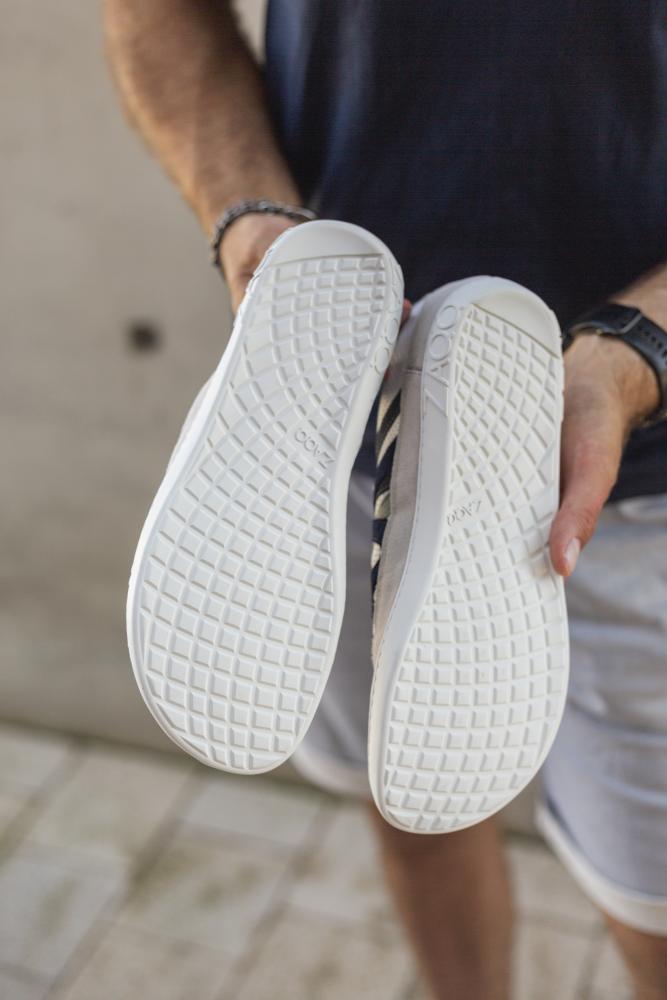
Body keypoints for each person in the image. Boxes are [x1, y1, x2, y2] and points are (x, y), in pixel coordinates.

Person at [104, 3, 667, 997]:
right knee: (417, 798)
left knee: (653, 899)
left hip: (645, 486)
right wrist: (248, 218)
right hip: (332, 424)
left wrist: (638, 348)